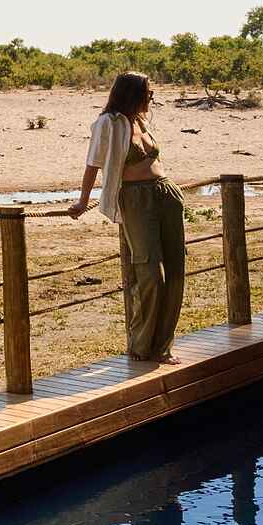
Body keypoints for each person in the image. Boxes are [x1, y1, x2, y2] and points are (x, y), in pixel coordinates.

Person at [66, 71, 184, 361]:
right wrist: (83, 202)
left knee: (176, 271)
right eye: (148, 93)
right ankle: (141, 345)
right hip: (135, 198)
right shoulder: (108, 123)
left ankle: (162, 347)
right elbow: (92, 165)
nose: (151, 97)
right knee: (151, 273)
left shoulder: (140, 121)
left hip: (166, 193)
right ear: (132, 94)